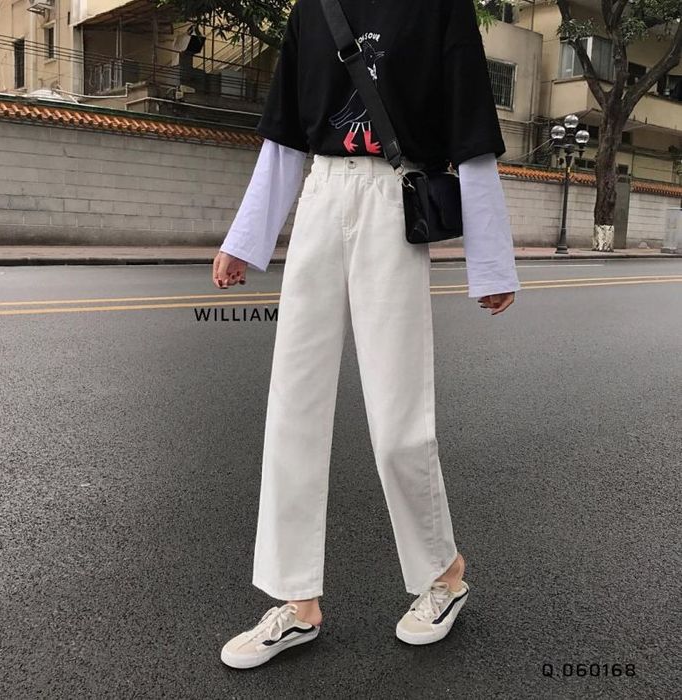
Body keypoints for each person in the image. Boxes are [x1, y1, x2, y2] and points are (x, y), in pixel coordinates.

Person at [213, 0, 520, 669]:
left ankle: (444, 575)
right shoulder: (313, 7)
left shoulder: (440, 8)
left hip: (393, 200)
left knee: (398, 414)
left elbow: (471, 126)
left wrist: (490, 259)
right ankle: (297, 603)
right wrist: (245, 240)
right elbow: (285, 133)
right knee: (292, 405)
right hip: (321, 198)